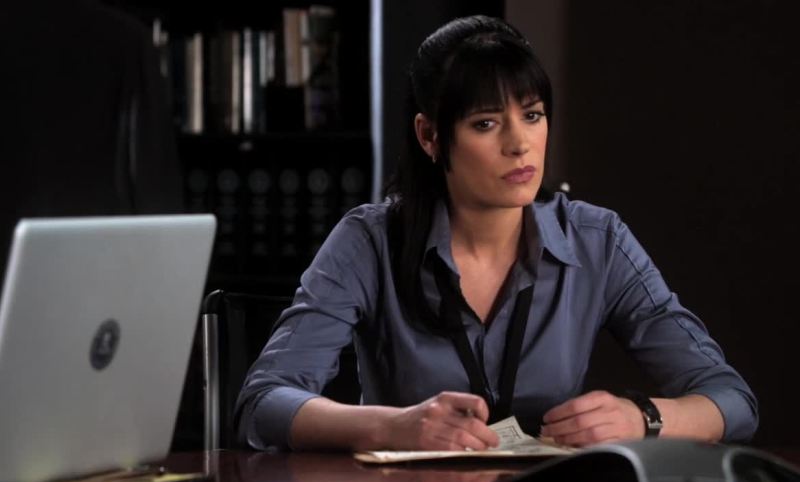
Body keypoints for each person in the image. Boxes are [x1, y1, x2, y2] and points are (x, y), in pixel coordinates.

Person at [235, 15, 758, 451]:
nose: (519, 144)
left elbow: (731, 401)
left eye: (532, 115)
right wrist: (394, 425)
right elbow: (263, 402)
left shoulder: (597, 239)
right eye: (485, 123)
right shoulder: (369, 241)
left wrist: (644, 418)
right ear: (430, 136)